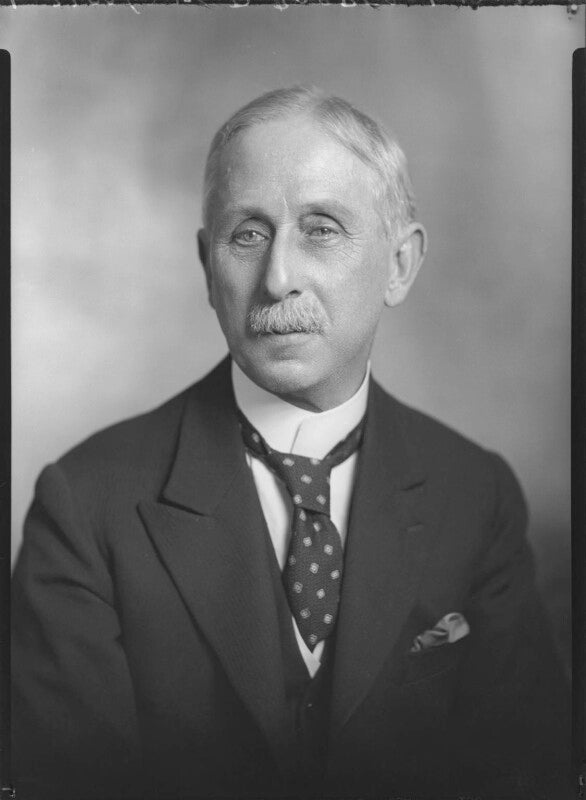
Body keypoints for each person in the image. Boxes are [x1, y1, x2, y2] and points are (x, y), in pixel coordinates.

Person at [12, 86, 570, 800]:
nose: (278, 279)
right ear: (207, 266)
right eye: (247, 234)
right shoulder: (85, 505)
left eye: (321, 229)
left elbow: (529, 775)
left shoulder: (475, 493)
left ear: (400, 265)